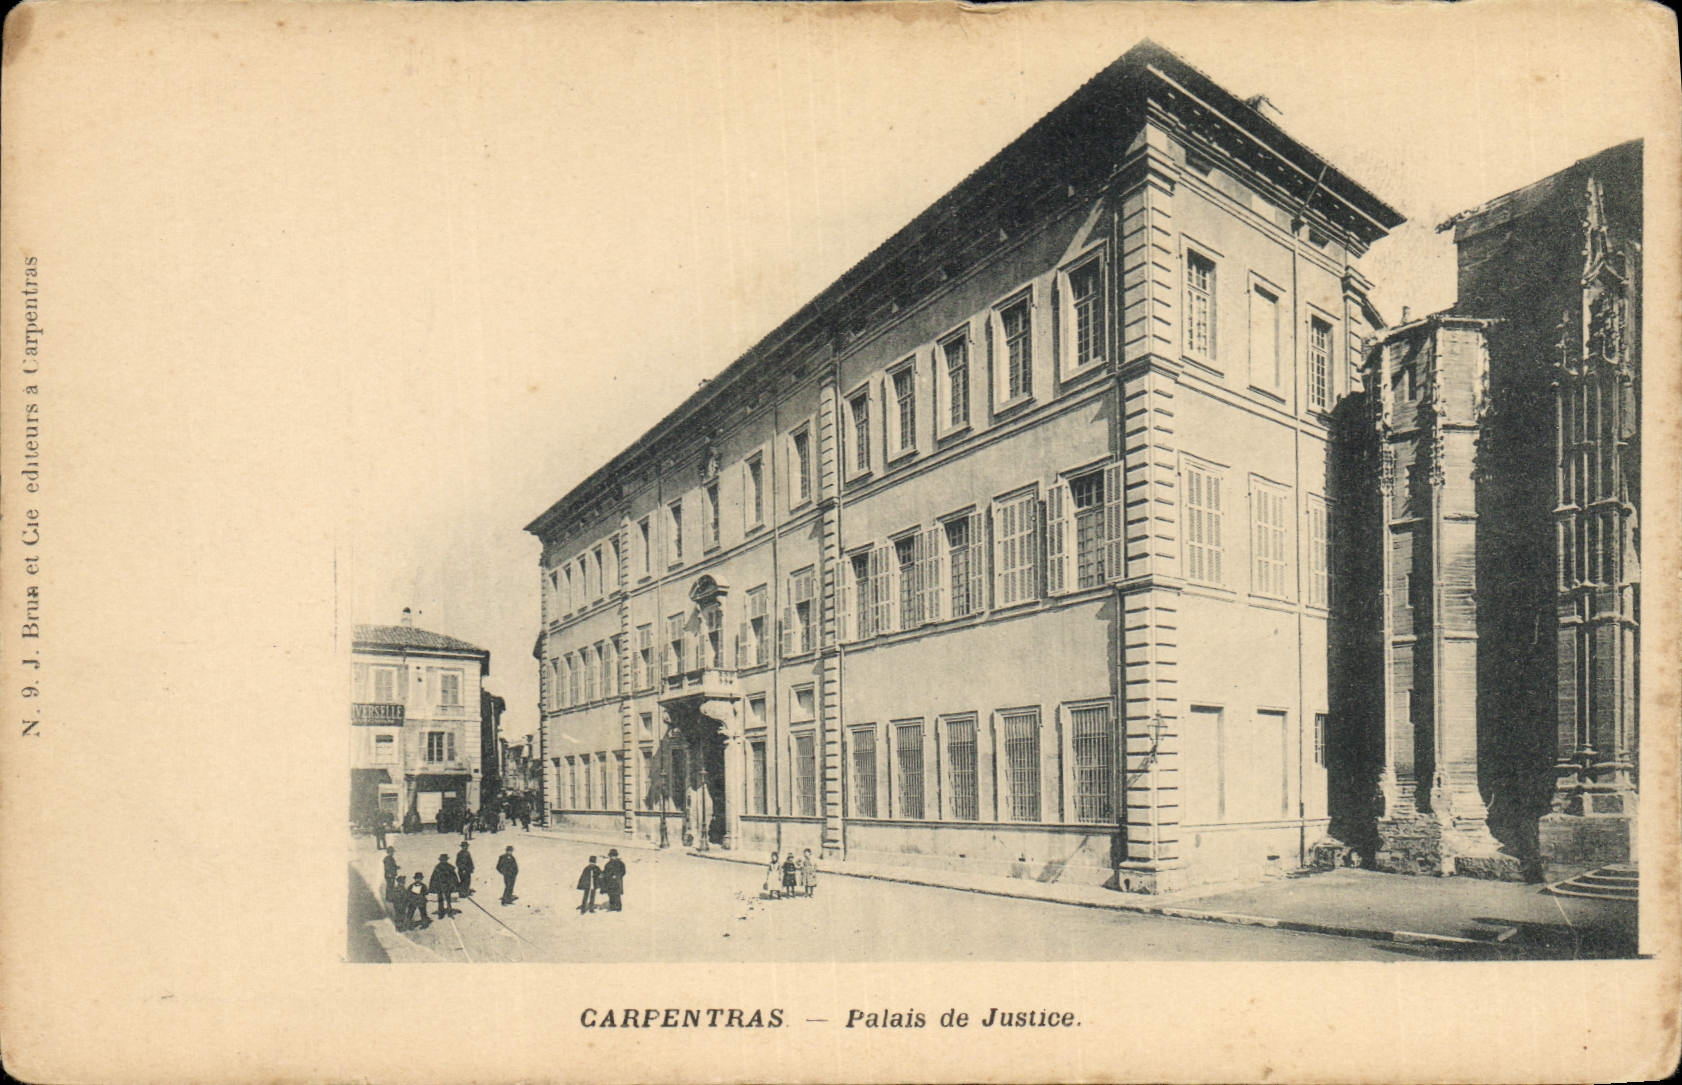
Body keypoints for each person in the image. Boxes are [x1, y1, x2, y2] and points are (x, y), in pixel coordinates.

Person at [430, 853, 460, 919]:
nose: (443, 861)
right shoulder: (437, 867)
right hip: (439, 886)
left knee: (448, 899)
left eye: (445, 859)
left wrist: (455, 884)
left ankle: (449, 911)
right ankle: (441, 913)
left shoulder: (450, 867)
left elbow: (454, 877)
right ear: (440, 860)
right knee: (440, 899)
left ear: (446, 860)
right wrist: (433, 885)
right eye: (442, 860)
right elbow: (434, 877)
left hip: (447, 886)